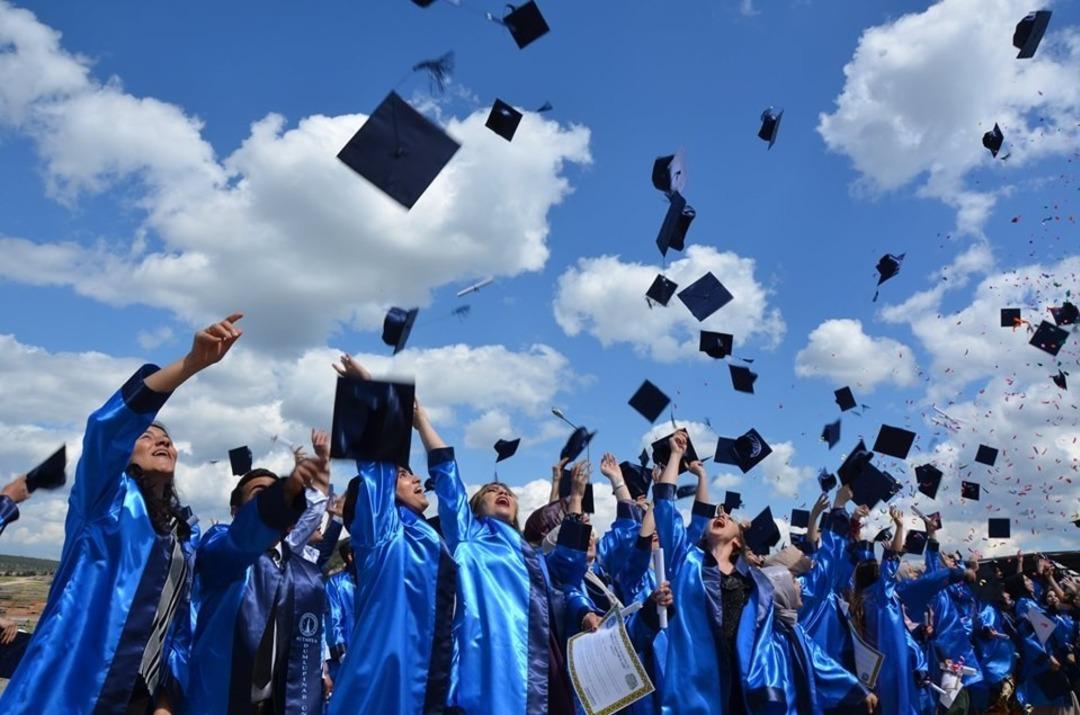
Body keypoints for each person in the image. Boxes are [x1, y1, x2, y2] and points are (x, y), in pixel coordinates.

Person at [0, 313, 243, 714]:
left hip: (138, 701)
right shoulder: (104, 503)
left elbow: (179, 624)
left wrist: (165, 700)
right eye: (145, 436)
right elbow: (104, 428)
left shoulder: (183, 534)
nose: (160, 439)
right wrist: (191, 364)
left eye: (166, 437)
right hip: (71, 691)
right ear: (123, 454)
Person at [327, 354, 460, 714]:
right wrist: (370, 389)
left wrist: (423, 422)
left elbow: (453, 494)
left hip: (437, 681)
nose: (416, 478)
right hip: (387, 688)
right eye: (404, 474)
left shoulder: (434, 540)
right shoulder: (381, 536)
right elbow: (376, 465)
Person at [434, 415, 590, 715]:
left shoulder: (533, 559)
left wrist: (576, 499)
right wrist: (422, 421)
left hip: (532, 667)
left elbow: (569, 565)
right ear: (476, 505)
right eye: (492, 491)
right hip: (482, 664)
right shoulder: (466, 539)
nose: (502, 492)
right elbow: (448, 481)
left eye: (507, 491)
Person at [182, 431, 335, 715]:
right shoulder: (221, 550)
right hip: (222, 702)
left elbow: (314, 512)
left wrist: (322, 462)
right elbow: (241, 542)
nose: (275, 501)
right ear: (236, 510)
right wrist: (285, 493)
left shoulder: (295, 566)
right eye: (260, 496)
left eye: (277, 496)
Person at [652, 428, 769, 714]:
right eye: (717, 515)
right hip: (694, 688)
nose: (721, 515)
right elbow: (666, 508)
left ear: (739, 539)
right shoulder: (687, 560)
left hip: (741, 688)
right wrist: (677, 455)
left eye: (727, 517)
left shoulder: (755, 582)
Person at [755, 565, 876, 714]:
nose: (800, 585)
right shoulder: (769, 637)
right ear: (781, 591)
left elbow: (819, 661)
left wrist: (857, 690)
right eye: (793, 581)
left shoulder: (792, 628)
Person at [322, 538, 355, 687]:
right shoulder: (336, 583)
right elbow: (333, 619)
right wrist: (342, 652)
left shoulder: (370, 579)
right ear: (350, 556)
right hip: (347, 658)